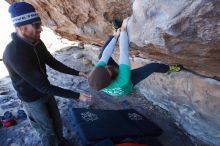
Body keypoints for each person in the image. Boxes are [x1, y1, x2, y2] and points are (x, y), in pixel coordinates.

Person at [3, 2, 91, 146]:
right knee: (47, 130)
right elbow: (42, 87)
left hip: (46, 91)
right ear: (22, 28)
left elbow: (52, 62)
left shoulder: (36, 42)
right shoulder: (14, 53)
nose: (41, 29)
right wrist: (77, 96)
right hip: (32, 98)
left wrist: (78, 73)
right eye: (36, 25)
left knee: (56, 121)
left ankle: (61, 142)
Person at [88, 18, 183, 96]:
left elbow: (105, 55)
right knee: (154, 66)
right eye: (106, 69)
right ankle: (169, 68)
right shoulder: (123, 81)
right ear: (110, 77)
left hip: (112, 77)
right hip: (129, 81)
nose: (105, 66)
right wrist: (124, 31)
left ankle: (115, 33)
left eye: (102, 67)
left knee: (101, 55)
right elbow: (124, 52)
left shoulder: (98, 74)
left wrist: (117, 36)